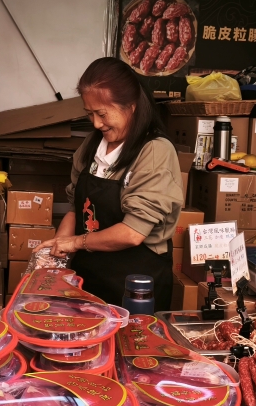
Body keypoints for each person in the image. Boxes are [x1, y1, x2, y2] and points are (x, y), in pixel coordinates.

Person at [41, 57, 183, 310]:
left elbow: (133, 233)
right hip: (88, 277)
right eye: (90, 114)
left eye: (102, 114)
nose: (96, 123)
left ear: (131, 106)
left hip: (135, 283)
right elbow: (76, 207)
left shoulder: (154, 151)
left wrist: (75, 242)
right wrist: (59, 246)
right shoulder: (92, 145)